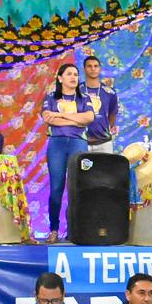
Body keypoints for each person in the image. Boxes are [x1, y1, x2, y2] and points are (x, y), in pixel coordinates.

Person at [42, 63, 95, 242]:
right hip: (57, 144)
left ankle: (75, 229)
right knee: (56, 188)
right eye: (69, 74)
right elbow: (48, 118)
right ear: (60, 78)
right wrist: (76, 120)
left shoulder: (84, 98)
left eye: (76, 74)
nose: (73, 77)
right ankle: (54, 229)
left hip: (78, 144)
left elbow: (89, 118)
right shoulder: (51, 97)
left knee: (78, 187)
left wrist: (60, 115)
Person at [81, 55, 119, 153]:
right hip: (81, 142)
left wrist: (104, 129)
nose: (93, 69)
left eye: (96, 66)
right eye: (89, 66)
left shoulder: (110, 92)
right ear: (84, 69)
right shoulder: (76, 91)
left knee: (106, 164)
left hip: (104, 143)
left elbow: (112, 115)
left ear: (100, 69)